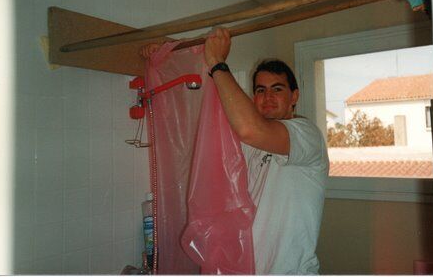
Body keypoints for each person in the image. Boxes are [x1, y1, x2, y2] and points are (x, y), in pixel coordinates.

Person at [141, 28, 329, 274]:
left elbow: (250, 129)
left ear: (294, 96)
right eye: (260, 90)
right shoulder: (247, 141)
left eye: (277, 89)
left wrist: (217, 62)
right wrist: (168, 56)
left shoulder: (305, 134)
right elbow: (203, 122)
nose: (268, 97)